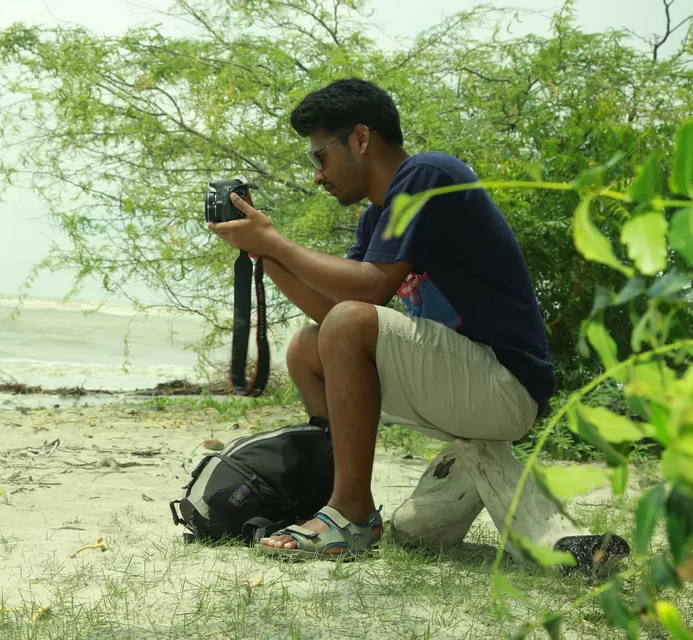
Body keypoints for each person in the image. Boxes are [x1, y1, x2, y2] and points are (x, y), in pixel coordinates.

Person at [208, 78, 630, 573]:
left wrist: (278, 243)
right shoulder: (375, 220)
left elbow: (365, 293)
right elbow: (333, 312)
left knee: (344, 324)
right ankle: (329, 501)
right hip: (460, 387)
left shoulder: (429, 173)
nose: (318, 177)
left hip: (505, 380)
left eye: (318, 157)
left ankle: (350, 513)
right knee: (308, 346)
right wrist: (264, 253)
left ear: (361, 140)